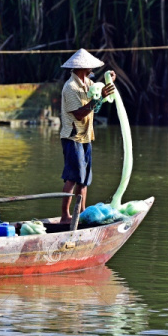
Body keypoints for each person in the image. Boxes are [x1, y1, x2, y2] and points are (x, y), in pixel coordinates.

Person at [59, 49, 116, 223]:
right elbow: (79, 113)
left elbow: (97, 99)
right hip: (72, 136)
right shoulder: (71, 87)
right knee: (73, 177)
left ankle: (82, 214)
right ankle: (65, 216)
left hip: (86, 136)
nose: (92, 69)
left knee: (84, 179)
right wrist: (99, 99)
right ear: (83, 67)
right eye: (90, 66)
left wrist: (108, 82)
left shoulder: (88, 83)